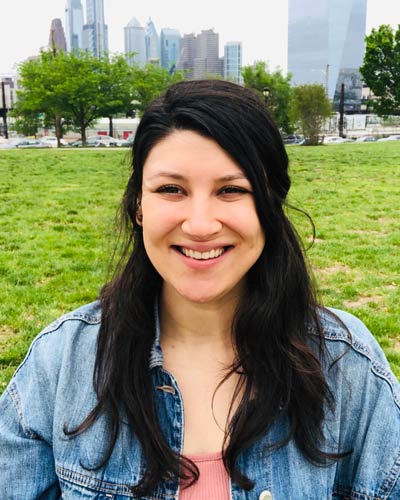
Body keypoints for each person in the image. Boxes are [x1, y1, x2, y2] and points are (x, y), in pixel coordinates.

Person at [0, 80, 399, 500]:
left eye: (231, 190)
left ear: (270, 206)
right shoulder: (60, 362)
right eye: (171, 189)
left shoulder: (346, 364)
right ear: (139, 205)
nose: (201, 225)